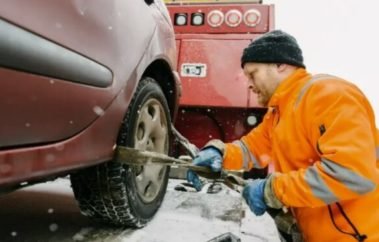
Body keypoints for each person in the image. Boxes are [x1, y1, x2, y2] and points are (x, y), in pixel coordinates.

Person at [187, 30, 379, 242]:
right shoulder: (279, 113)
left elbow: (352, 174)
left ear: (280, 65)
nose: (248, 84)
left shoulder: (329, 95)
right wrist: (218, 152)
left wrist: (272, 190)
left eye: (253, 74)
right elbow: (250, 149)